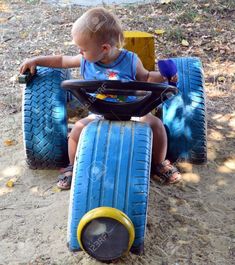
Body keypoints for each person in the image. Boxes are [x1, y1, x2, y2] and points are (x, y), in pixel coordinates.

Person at [20, 7, 181, 190]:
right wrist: (37, 60)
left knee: (157, 126)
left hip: (133, 111)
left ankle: (159, 163)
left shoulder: (130, 60)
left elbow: (145, 77)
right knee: (76, 132)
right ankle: (73, 167)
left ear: (104, 48)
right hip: (99, 112)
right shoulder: (85, 60)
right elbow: (61, 61)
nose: (79, 53)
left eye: (83, 49)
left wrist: (164, 76)